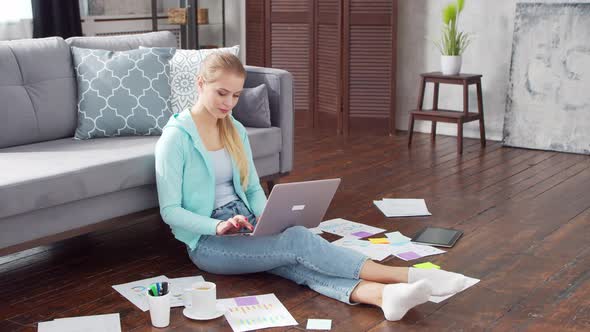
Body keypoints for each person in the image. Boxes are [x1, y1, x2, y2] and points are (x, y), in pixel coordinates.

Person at [155, 53, 467, 321]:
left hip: (247, 222)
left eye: (236, 96)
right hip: (208, 243)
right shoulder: (175, 138)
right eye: (222, 93)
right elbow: (170, 212)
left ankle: (383, 297)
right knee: (298, 243)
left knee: (295, 256)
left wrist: (268, 221)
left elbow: (251, 189)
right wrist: (219, 224)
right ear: (200, 84)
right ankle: (410, 275)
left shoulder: (234, 129)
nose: (229, 103)